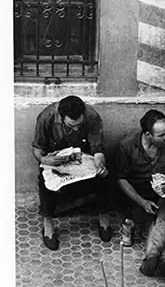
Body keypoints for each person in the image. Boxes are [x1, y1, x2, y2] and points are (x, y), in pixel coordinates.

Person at [31, 95, 112, 250]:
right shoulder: (45, 117)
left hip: (84, 156)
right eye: (70, 126)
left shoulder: (92, 116)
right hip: (55, 159)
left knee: (104, 175)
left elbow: (98, 150)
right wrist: (44, 160)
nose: (76, 129)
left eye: (79, 125)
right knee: (44, 180)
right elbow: (38, 149)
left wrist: (100, 164)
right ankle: (48, 224)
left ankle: (104, 217)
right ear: (61, 118)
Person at [116, 110, 165, 280]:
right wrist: (142, 201)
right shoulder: (127, 145)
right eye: (161, 135)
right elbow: (122, 179)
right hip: (138, 194)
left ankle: (152, 257)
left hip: (164, 192)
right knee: (147, 219)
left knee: (163, 215)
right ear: (148, 135)